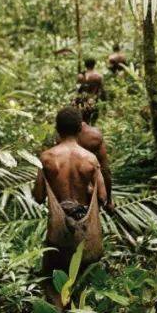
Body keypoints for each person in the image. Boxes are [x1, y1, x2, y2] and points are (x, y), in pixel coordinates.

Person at [32, 108, 107, 303]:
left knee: (54, 280)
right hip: (84, 227)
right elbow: (102, 196)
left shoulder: (47, 158)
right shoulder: (90, 159)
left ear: (57, 128)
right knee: (84, 282)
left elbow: (39, 196)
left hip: (58, 229)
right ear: (79, 128)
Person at [75, 57, 104, 124]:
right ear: (94, 64)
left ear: (85, 65)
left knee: (83, 121)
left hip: (82, 101)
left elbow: (77, 90)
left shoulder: (80, 76)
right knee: (92, 121)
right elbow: (102, 90)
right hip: (93, 100)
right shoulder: (98, 76)